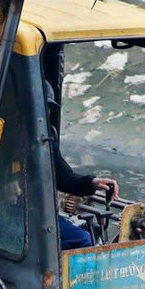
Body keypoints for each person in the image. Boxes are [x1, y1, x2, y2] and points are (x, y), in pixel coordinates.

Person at [44, 78, 115, 250]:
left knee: (85, 237)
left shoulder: (46, 137)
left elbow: (63, 177)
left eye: (45, 108)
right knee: (81, 240)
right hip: (8, 213)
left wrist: (92, 183)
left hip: (38, 213)